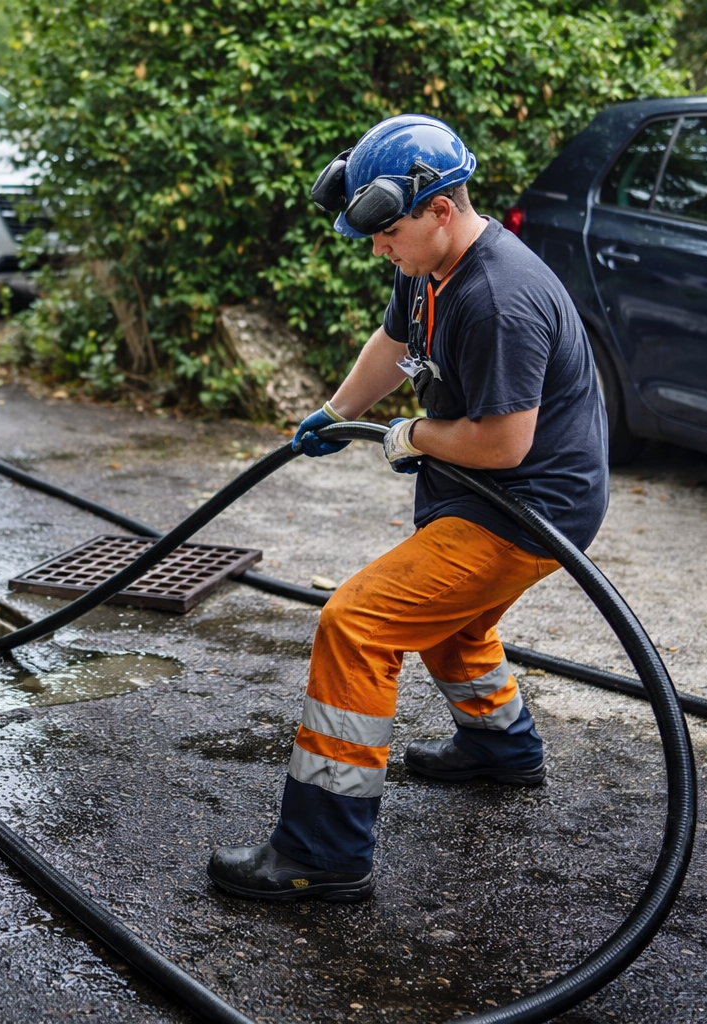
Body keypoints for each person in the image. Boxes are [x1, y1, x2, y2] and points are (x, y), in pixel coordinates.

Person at [207, 114, 609, 903]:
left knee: (358, 623)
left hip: (525, 508)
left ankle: (322, 853)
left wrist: (410, 434)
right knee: (451, 617)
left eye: (387, 230)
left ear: (441, 211)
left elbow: (502, 446)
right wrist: (337, 410)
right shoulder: (427, 266)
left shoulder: (499, 297)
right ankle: (502, 748)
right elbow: (396, 345)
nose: (376, 247)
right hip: (481, 496)